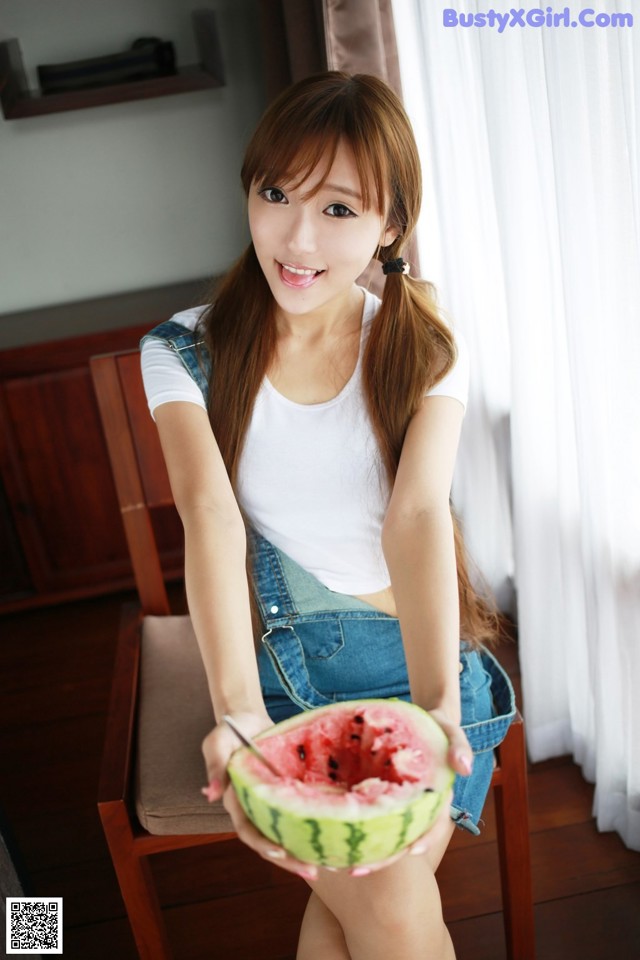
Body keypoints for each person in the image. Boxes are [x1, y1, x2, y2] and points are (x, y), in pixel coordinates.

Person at [140, 71, 514, 960]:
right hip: (282, 672)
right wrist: (234, 710)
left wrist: (434, 712)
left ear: (390, 228)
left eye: (339, 210)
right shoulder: (182, 352)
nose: (297, 238)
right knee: (375, 903)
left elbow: (417, 517)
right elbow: (210, 519)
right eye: (276, 194)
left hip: (420, 664)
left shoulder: (424, 349)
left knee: (367, 905)